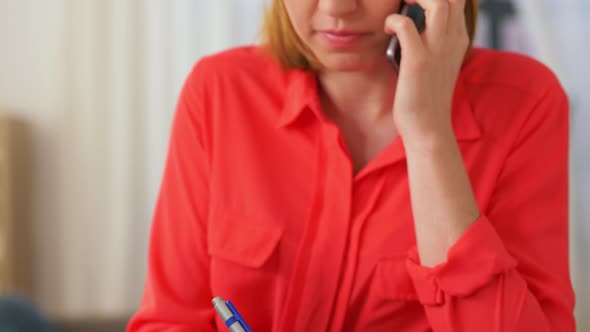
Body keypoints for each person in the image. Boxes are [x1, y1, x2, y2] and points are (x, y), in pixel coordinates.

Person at [127, 0, 576, 331]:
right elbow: (169, 320)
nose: (338, 8)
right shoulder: (219, 92)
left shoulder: (523, 102)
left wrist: (428, 135)